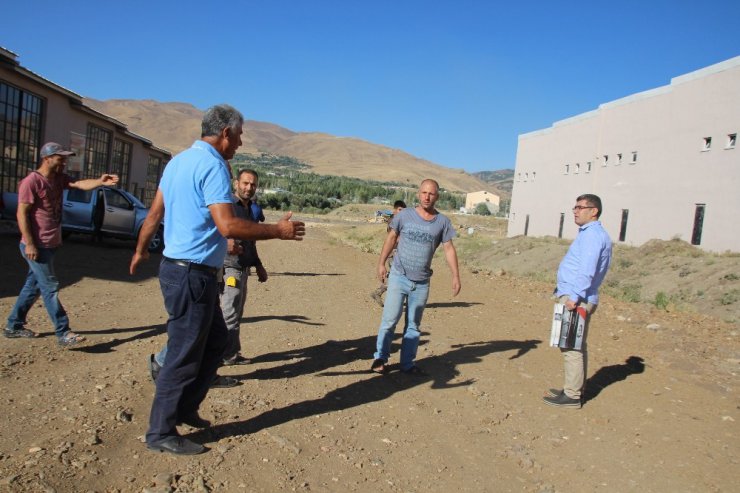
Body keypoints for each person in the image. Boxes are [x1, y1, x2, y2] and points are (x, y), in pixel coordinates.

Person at [129, 104, 305, 456]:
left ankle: (186, 408)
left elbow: (154, 214)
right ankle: (160, 432)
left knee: (217, 342)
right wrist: (278, 231)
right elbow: (228, 225)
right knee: (183, 354)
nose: (240, 143)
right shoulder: (212, 165)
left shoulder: (177, 162)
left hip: (180, 270)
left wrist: (141, 250)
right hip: (193, 274)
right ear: (225, 132)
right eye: (239, 136)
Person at [5, 142, 119, 347]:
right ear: (47, 158)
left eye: (65, 158)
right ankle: (63, 332)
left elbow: (78, 185)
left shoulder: (58, 178)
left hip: (50, 243)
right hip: (35, 245)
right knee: (50, 286)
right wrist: (30, 243)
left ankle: (14, 325)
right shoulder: (32, 182)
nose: (64, 161)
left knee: (32, 287)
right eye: (60, 158)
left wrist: (99, 182)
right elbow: (21, 214)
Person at [371, 180, 460, 375]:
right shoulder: (405, 215)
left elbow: (449, 249)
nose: (427, 196)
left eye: (432, 193)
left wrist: (456, 276)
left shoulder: (442, 222)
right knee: (390, 320)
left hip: (421, 282)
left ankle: (407, 364)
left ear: (437, 196)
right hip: (399, 275)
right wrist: (381, 263)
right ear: (418, 194)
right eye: (424, 192)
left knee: (413, 325)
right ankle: (380, 358)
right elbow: (391, 238)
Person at [543, 194, 612, 409]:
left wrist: (574, 297)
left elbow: (587, 270)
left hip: (578, 298)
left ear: (594, 211)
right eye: (575, 206)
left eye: (581, 207)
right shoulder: (592, 234)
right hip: (580, 296)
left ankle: (572, 396)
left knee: (571, 347)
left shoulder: (592, 236)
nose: (575, 211)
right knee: (577, 345)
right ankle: (574, 388)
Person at [221, 168, 267, 365]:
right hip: (229, 267)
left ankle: (231, 352)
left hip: (243, 268)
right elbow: (213, 228)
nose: (249, 187)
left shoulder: (249, 209)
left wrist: (258, 264)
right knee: (229, 312)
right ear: (236, 184)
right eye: (246, 183)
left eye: (253, 184)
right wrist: (227, 240)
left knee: (237, 313)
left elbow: (251, 240)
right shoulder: (227, 206)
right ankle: (225, 356)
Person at [370, 200, 406, 307]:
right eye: (400, 210)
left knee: (399, 276)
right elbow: (394, 238)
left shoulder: (399, 220)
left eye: (403, 210)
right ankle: (379, 293)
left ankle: (379, 293)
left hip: (398, 252)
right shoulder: (393, 221)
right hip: (394, 253)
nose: (401, 212)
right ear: (394, 210)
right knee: (399, 277)